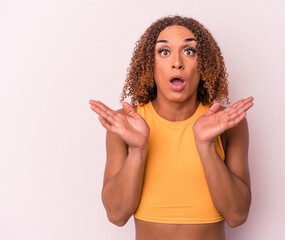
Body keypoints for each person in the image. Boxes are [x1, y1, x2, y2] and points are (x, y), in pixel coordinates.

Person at [89, 15, 253, 240]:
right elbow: (117, 215)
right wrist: (137, 151)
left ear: (204, 64)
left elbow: (237, 215)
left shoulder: (227, 122)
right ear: (149, 64)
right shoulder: (126, 123)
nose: (177, 62)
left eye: (189, 51)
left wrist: (205, 146)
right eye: (164, 52)